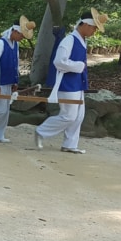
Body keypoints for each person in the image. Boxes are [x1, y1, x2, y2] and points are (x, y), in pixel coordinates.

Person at [35, 8, 108, 154]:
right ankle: (41, 131)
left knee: (79, 116)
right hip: (67, 84)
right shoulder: (69, 40)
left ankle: (70, 144)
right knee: (68, 116)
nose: (94, 31)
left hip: (77, 84)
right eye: (94, 28)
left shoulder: (81, 40)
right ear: (86, 25)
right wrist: (78, 66)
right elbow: (58, 62)